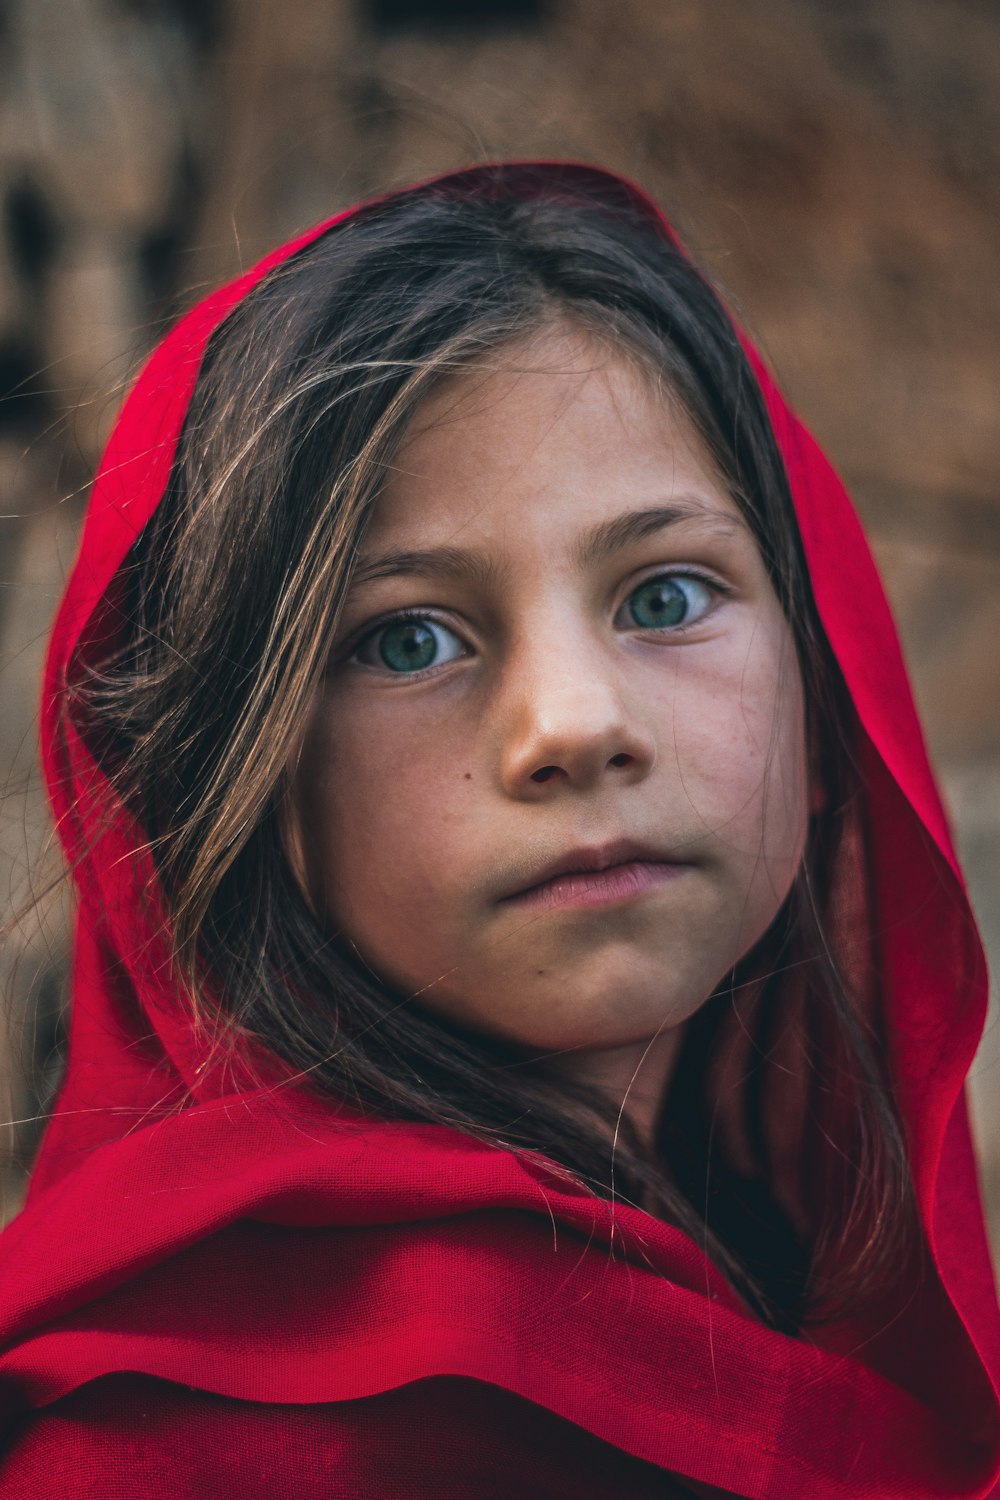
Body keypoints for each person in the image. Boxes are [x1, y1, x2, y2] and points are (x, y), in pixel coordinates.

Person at [0, 161, 997, 1498]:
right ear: (236, 776)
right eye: (408, 639)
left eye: (664, 597)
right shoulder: (166, 1444)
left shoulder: (792, 1301)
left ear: (824, 691)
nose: (576, 724)